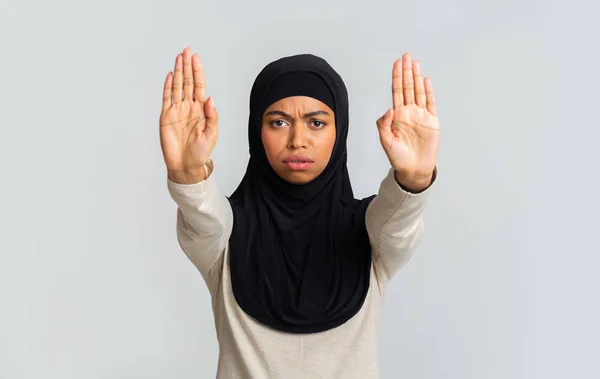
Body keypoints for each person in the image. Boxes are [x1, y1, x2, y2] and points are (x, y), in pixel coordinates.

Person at [160, 46, 440, 378]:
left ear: (340, 132)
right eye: (278, 122)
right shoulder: (227, 233)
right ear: (256, 130)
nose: (297, 140)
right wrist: (187, 172)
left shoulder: (370, 232)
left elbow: (399, 222)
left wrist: (415, 177)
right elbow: (201, 217)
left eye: (317, 122)